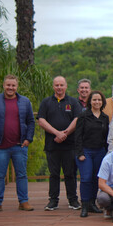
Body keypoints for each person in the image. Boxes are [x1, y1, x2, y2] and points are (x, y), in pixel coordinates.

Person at [0, 74, 35, 213]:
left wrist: (28, 139)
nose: (10, 88)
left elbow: (31, 121)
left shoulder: (25, 101)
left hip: (19, 146)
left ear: (17, 87)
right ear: (4, 85)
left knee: (21, 175)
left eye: (13, 85)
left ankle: (23, 202)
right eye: (8, 85)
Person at [37, 76, 82, 211]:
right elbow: (41, 120)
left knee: (70, 173)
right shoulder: (46, 102)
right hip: (52, 144)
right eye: (57, 85)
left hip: (69, 144)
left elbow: (77, 119)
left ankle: (73, 200)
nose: (59, 87)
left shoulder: (73, 102)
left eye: (61, 85)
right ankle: (53, 201)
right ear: (53, 87)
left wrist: (65, 134)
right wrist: (57, 133)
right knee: (54, 174)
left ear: (66, 86)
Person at [74, 90, 109, 217]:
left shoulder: (105, 117)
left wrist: (107, 154)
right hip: (86, 151)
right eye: (94, 100)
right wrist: (80, 153)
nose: (97, 102)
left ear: (102, 102)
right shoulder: (83, 116)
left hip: (100, 152)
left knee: (96, 178)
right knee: (86, 178)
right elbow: (77, 136)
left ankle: (92, 204)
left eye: (99, 100)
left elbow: (106, 138)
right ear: (90, 101)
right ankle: (84, 205)